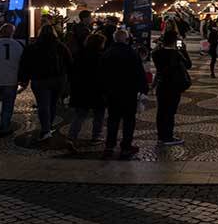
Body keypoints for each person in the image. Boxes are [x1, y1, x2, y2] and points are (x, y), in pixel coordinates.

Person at [98, 30, 149, 159]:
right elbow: (139, 72)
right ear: (126, 39)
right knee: (129, 120)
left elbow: (101, 74)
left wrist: (103, 91)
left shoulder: (107, 53)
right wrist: (143, 89)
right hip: (128, 92)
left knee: (112, 119)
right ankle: (126, 146)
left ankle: (109, 146)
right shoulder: (131, 53)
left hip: (112, 92)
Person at [20, 25, 73, 141]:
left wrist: (24, 80)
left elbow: (24, 64)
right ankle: (48, 127)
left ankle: (46, 130)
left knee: (43, 105)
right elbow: (69, 63)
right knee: (53, 104)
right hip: (58, 79)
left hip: (39, 80)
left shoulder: (33, 47)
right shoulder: (60, 46)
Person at [152, 31, 191, 145]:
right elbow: (188, 64)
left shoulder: (156, 53)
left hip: (161, 84)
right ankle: (168, 137)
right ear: (175, 41)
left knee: (161, 111)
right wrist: (183, 50)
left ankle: (161, 136)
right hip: (173, 86)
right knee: (170, 112)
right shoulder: (176, 54)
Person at [67, 33, 108, 146]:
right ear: (100, 44)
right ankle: (95, 136)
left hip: (81, 89)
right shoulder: (102, 57)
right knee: (99, 115)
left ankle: (71, 136)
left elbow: (73, 72)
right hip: (97, 90)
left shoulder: (79, 55)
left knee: (79, 115)